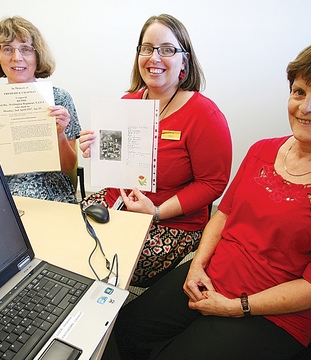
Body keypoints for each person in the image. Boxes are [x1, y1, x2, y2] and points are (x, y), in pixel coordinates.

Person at [102, 35, 311, 360]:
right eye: (299, 92)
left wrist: (236, 307)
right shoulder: (262, 151)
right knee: (119, 332)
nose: (306, 107)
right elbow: (222, 216)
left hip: (273, 312)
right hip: (209, 276)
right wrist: (196, 267)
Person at [79, 14, 232, 287]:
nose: (154, 57)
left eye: (167, 50)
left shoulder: (204, 114)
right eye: (147, 48)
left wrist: (157, 212)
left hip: (171, 222)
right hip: (120, 201)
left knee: (107, 259)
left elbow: (213, 183)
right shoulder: (128, 102)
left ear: (184, 61)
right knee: (69, 238)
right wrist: (97, 150)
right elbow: (120, 161)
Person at [0, 16, 81, 204]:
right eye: (7, 49)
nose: (16, 58)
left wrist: (59, 135)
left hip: (51, 190)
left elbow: (68, 167)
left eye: (26, 49)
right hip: (3, 189)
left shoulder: (59, 99)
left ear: (37, 56)